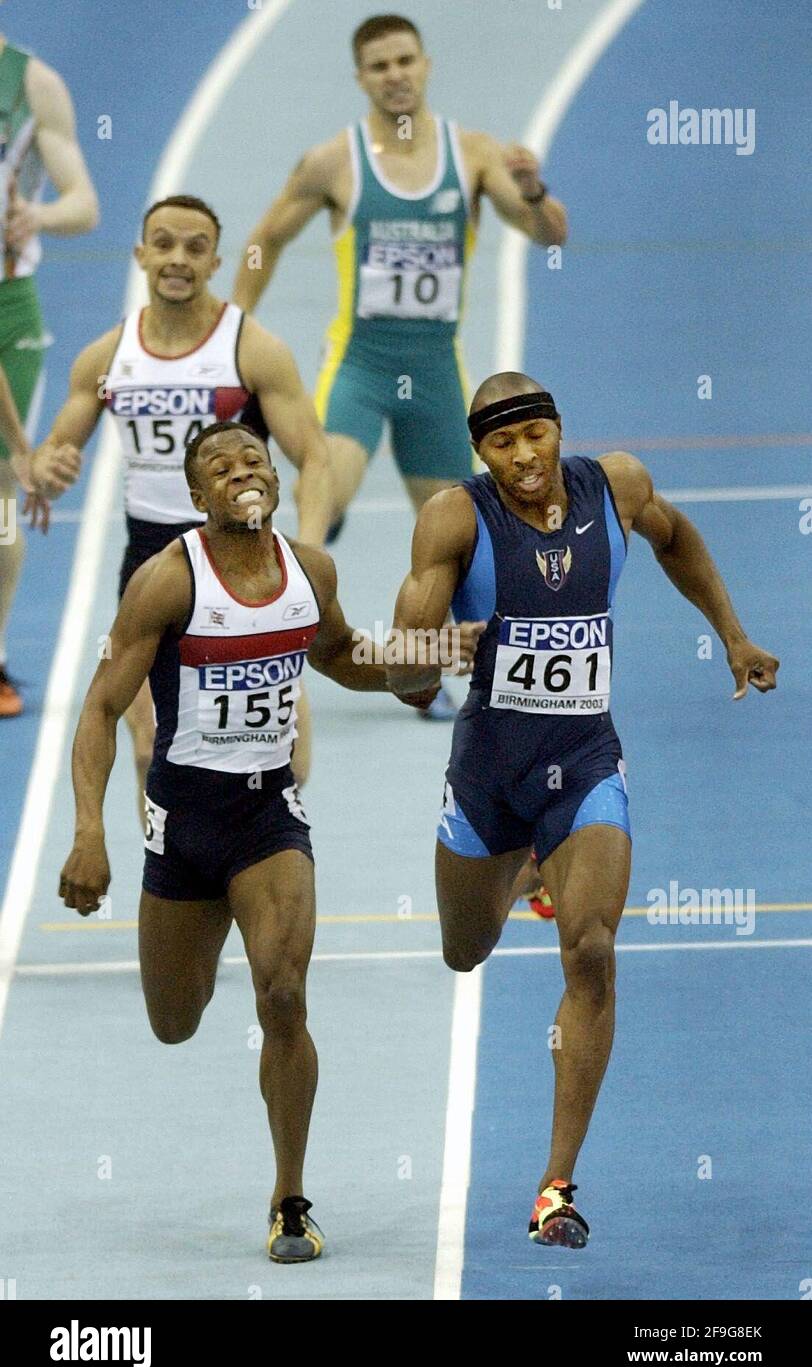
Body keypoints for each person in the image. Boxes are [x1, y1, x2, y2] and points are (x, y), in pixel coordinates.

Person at [57, 418, 481, 1262]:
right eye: (220, 465)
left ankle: (290, 1198)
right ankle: (195, 963)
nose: (242, 470)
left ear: (276, 480)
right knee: (174, 1023)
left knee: (283, 996)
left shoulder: (309, 572)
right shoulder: (166, 583)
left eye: (254, 458)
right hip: (183, 827)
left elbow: (343, 655)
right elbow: (102, 708)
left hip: (268, 821)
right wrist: (87, 836)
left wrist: (423, 654)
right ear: (198, 496)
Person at [387, 372, 779, 1246]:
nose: (524, 457)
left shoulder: (621, 486)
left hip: (585, 759)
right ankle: (523, 864)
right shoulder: (454, 519)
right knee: (464, 951)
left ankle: (555, 1186)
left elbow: (677, 542)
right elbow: (405, 681)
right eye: (502, 444)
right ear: (481, 453)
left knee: (593, 947)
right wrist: (430, 653)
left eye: (536, 435)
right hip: (489, 774)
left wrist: (733, 633)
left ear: (559, 428)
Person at [232, 12, 567, 720]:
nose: (395, 75)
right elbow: (264, 240)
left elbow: (547, 233)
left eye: (405, 61)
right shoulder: (334, 162)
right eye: (379, 66)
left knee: (454, 541)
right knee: (321, 512)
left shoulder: (472, 155)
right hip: (360, 364)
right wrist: (232, 334)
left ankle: (433, 671)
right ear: (361, 78)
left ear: (426, 65)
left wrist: (534, 190)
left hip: (437, 375)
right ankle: (286, 651)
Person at [32, 195, 330, 819]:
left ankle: (275, 836)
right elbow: (54, 454)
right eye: (163, 243)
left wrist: (309, 548)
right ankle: (172, 871)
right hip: (153, 566)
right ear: (140, 254)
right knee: (151, 742)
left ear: (216, 261)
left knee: (279, 746)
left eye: (195, 248)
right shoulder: (108, 358)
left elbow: (315, 457)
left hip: (246, 560)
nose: (177, 259)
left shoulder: (251, 350)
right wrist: (46, 469)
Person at [0, 30, 98, 715]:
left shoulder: (32, 84)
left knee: (1, 488)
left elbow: (84, 205)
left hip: (9, 304)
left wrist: (37, 214)